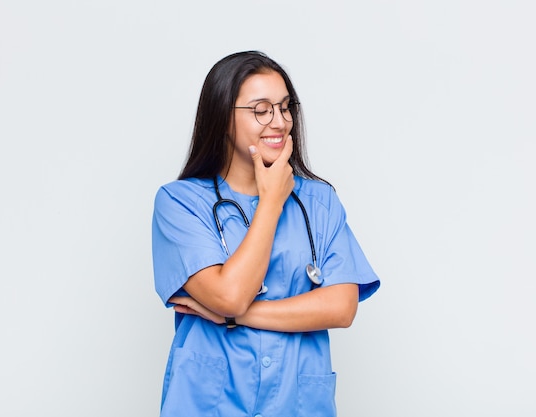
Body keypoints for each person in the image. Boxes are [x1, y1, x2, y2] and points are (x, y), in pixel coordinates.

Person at [151, 50, 380, 416]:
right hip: (208, 403)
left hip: (296, 402)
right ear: (222, 117)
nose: (279, 121)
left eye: (285, 107)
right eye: (261, 110)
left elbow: (341, 307)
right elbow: (229, 295)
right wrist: (272, 201)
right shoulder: (180, 203)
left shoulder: (319, 202)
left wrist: (234, 318)